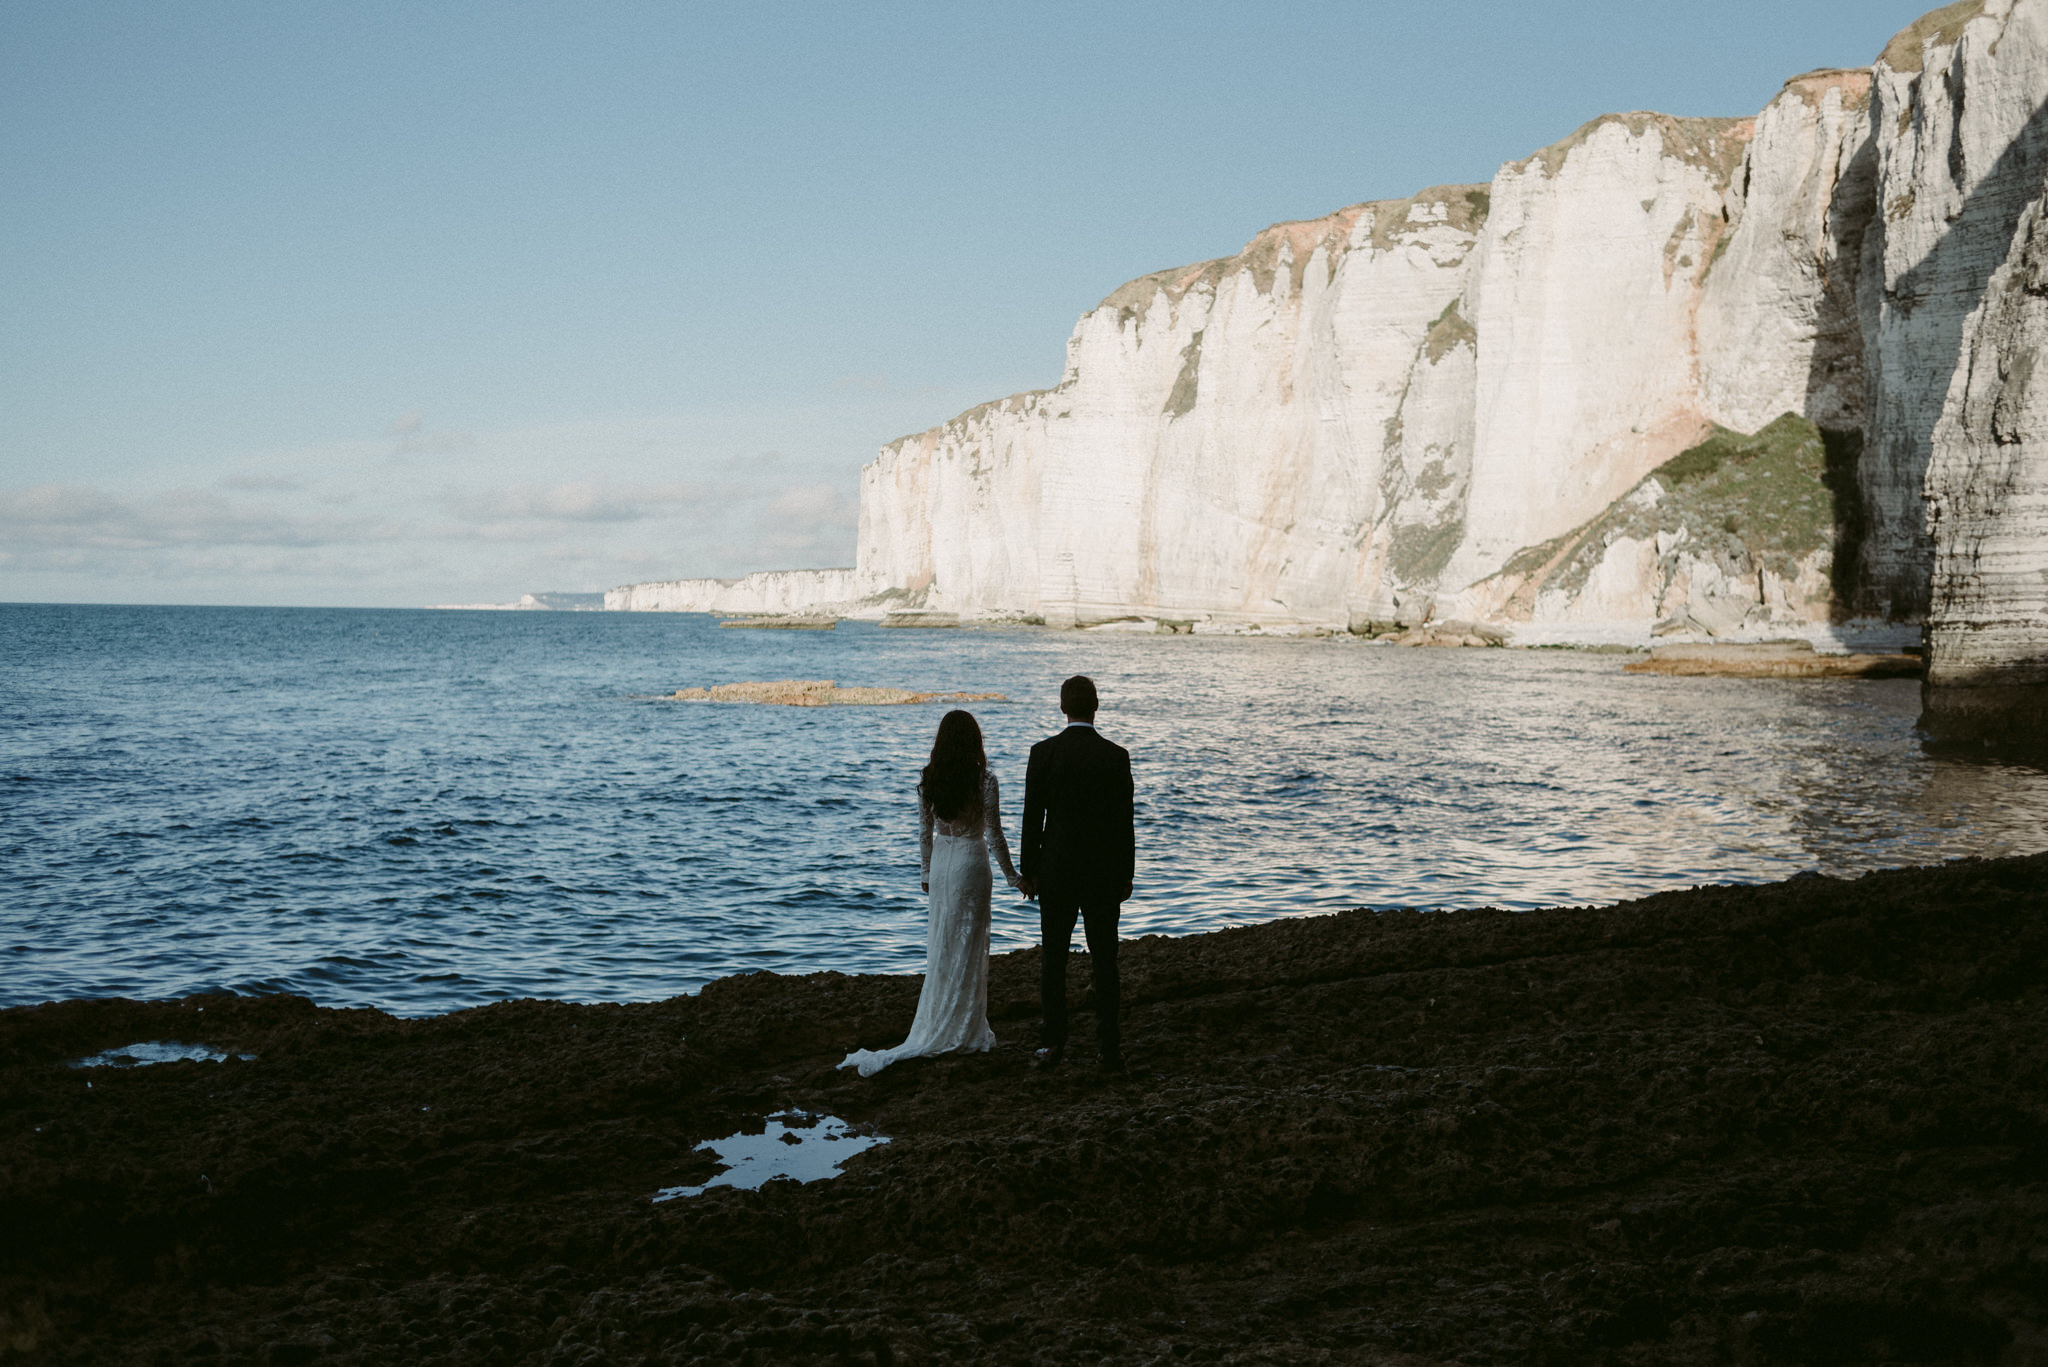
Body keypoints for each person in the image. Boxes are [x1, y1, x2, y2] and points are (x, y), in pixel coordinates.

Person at [840, 709, 1019, 1077]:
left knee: (942, 945)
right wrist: (1013, 876)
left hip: (941, 863)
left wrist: (925, 871)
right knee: (968, 946)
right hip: (971, 862)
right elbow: (994, 835)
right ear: (975, 741)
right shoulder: (985, 780)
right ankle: (966, 1027)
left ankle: (945, 1021)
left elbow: (924, 832)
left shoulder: (929, 778)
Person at [1018, 675, 1135, 1072]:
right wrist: (1126, 874)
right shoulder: (1116, 756)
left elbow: (1032, 819)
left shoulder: (1043, 753)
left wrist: (1028, 871)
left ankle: (1053, 1043)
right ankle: (1109, 1046)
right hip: (1103, 871)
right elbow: (1125, 823)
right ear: (1096, 706)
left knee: (1053, 959)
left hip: (1056, 871)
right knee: (1106, 960)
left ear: (1062, 707)